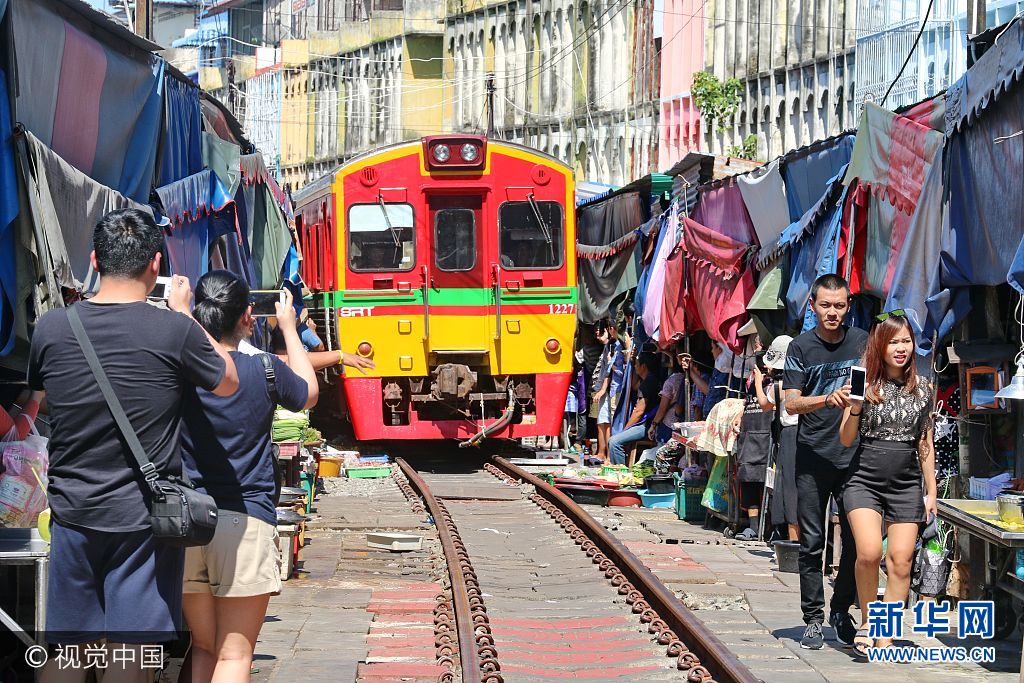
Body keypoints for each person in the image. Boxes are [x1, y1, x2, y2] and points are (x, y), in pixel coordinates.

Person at [27, 208, 238, 681]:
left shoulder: (52, 329)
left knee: (66, 649)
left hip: (71, 511)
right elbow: (226, 381)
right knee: (129, 652)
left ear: (95, 259)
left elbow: (41, 392)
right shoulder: (174, 330)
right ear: (156, 265)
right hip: (144, 520)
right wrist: (184, 313)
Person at [180, 272, 318, 682]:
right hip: (244, 520)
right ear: (248, 317)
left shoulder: (179, 370)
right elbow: (309, 393)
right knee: (235, 655)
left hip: (187, 521)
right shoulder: (264, 368)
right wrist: (290, 329)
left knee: (203, 647)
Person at [838, 311, 936, 656]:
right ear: (880, 345)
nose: (901, 348)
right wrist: (853, 407)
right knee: (868, 553)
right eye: (893, 341)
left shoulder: (923, 388)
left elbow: (925, 441)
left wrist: (931, 490)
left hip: (907, 483)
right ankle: (866, 621)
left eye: (906, 341)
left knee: (901, 559)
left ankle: (886, 632)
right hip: (863, 478)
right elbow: (846, 439)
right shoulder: (864, 386)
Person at [782, 273, 866, 650]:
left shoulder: (862, 341)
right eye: (826, 305)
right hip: (813, 456)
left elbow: (867, 388)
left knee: (857, 542)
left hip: (855, 457)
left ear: (848, 306)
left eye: (840, 305)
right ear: (812, 307)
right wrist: (825, 398)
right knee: (812, 543)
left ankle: (840, 608)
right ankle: (813, 618)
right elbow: (790, 402)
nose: (833, 312)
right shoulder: (800, 348)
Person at [755, 335, 799, 542]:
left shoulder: (779, 385)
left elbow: (764, 405)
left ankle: (794, 542)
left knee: (790, 488)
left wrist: (757, 381)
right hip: (806, 434)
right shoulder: (803, 379)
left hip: (790, 436)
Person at [734, 340, 771, 541]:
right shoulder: (750, 380)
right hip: (749, 433)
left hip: (767, 436)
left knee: (768, 483)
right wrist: (740, 416)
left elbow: (767, 402)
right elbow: (748, 401)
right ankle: (753, 527)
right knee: (748, 479)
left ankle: (771, 528)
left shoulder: (775, 383)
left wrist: (759, 380)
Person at [607, 352, 661, 466]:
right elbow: (634, 385)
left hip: (647, 426)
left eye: (636, 364)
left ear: (644, 366)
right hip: (648, 424)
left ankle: (620, 472)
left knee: (614, 442)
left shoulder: (649, 383)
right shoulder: (649, 379)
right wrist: (631, 363)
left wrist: (624, 431)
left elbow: (639, 412)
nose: (635, 366)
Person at [591, 320, 627, 462]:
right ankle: (602, 453)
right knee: (603, 420)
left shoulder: (620, 345)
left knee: (611, 422)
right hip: (608, 388)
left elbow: (611, 371)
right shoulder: (611, 345)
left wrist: (603, 388)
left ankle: (609, 456)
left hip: (615, 389)